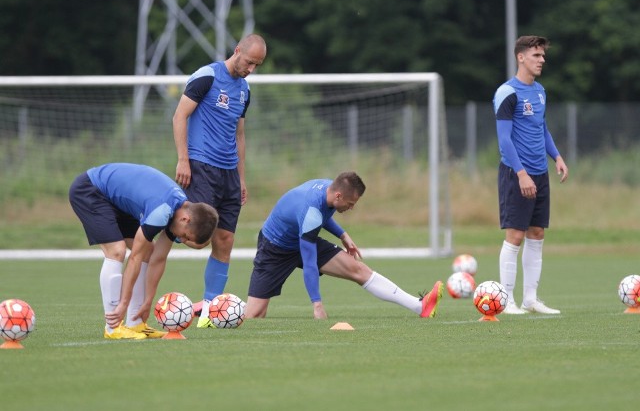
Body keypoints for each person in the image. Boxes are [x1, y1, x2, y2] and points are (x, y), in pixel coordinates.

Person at [243, 172, 444, 320]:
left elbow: (323, 214)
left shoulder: (328, 190)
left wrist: (342, 234)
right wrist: (317, 304)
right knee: (255, 315)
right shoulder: (311, 212)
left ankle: (420, 307)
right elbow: (310, 262)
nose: (352, 207)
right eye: (350, 203)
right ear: (338, 196)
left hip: (303, 234)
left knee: (357, 269)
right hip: (275, 247)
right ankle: (220, 311)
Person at [172, 33, 267, 328]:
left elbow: (239, 135)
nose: (251, 69)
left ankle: (210, 313)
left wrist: (241, 178)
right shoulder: (207, 76)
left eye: (257, 65)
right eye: (249, 62)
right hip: (201, 166)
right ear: (237, 51)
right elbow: (179, 116)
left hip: (228, 174)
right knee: (197, 238)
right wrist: (183, 159)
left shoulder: (244, 91)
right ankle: (152, 234)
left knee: (224, 240)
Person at [69, 163, 218, 339]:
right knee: (117, 250)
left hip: (116, 201)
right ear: (185, 219)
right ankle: (113, 327)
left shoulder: (178, 211)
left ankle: (136, 323)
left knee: (149, 249)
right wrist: (123, 303)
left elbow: (159, 258)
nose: (182, 241)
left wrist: (148, 301)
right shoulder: (162, 211)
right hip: (91, 190)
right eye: (186, 236)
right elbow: (134, 258)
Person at [492, 35, 569, 315]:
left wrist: (557, 157)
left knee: (537, 234)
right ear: (520, 57)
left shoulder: (540, 91)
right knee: (515, 235)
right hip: (517, 174)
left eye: (543, 56)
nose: (542, 60)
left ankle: (530, 299)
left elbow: (542, 128)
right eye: (536, 55)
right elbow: (505, 140)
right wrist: (521, 174)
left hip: (540, 173)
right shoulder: (507, 93)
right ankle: (506, 300)